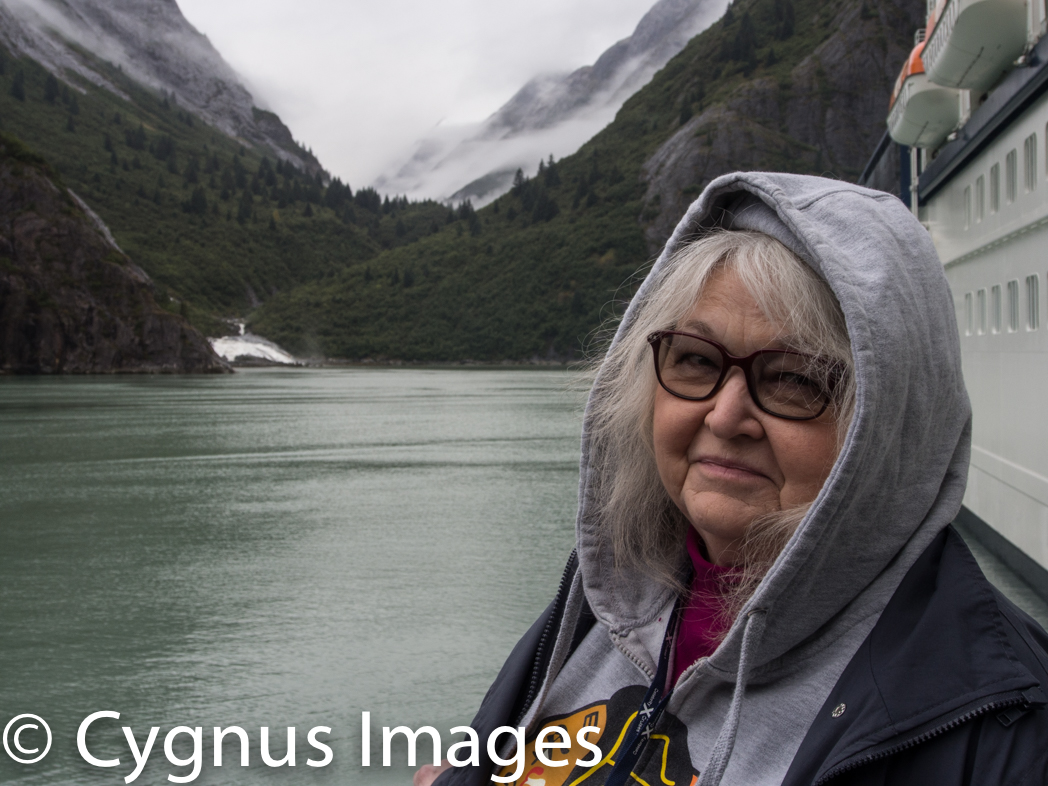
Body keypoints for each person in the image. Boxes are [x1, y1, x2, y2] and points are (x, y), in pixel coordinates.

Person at [418, 172, 1048, 786]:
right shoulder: (609, 597)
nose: (725, 415)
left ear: (891, 424)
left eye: (796, 378)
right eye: (695, 359)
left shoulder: (1001, 727)